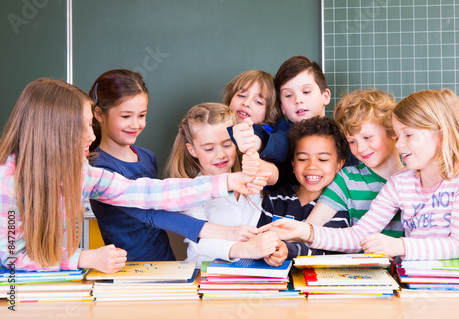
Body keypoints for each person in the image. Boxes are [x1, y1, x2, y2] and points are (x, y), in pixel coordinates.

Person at [0, 78, 268, 273]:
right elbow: (11, 258)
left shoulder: (81, 174)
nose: (91, 136)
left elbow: (147, 193)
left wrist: (228, 181)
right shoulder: (7, 183)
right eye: (82, 128)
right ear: (54, 131)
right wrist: (84, 258)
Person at [264, 89, 459, 268]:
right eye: (398, 135)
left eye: (408, 135)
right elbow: (360, 234)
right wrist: (306, 231)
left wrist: (398, 245)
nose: (400, 144)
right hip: (418, 283)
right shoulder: (401, 183)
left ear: (441, 136)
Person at [88, 69, 255, 262]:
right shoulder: (97, 169)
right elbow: (155, 215)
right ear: (99, 114)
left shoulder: (146, 157)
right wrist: (229, 233)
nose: (135, 124)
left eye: (142, 115)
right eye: (126, 116)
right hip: (129, 271)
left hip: (166, 263)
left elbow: (163, 200)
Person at [165, 102, 283, 268]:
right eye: (208, 148)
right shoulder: (190, 191)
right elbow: (200, 242)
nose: (220, 154)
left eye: (227, 145)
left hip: (248, 274)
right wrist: (245, 249)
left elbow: (274, 176)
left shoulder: (247, 176)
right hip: (203, 275)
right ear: (192, 150)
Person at [231, 56, 358, 189]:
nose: (298, 100)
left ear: (325, 96)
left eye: (306, 91)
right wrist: (256, 142)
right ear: (282, 107)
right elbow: (278, 143)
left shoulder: (342, 134)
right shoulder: (282, 131)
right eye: (288, 95)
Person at [306, 90, 405, 240]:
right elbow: (313, 225)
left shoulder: (417, 179)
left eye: (367, 137)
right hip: (359, 262)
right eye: (352, 141)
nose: (360, 148)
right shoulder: (347, 180)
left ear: (392, 131)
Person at [257, 116, 350, 259]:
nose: (312, 166)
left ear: (339, 164)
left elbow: (331, 252)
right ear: (293, 164)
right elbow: (259, 240)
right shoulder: (275, 200)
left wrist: (289, 250)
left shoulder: (338, 207)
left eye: (323, 159)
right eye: (302, 159)